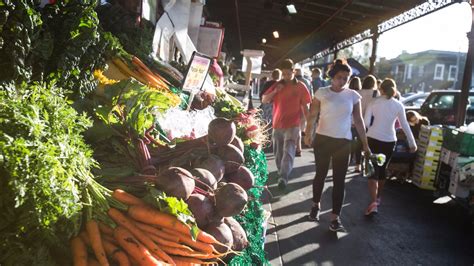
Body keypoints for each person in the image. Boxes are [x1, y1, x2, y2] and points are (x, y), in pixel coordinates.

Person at [304, 59, 370, 232]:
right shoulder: (322, 92)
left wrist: (365, 144)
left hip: (344, 142)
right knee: (320, 174)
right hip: (323, 139)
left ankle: (335, 218)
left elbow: (359, 120)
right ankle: (315, 205)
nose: (343, 81)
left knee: (339, 181)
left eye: (346, 78)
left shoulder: (353, 96)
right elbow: (312, 115)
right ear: (332, 76)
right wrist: (308, 133)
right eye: (340, 77)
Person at [363, 78, 417, 216]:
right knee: (382, 170)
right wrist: (412, 143)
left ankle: (373, 202)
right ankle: (379, 198)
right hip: (389, 141)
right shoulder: (398, 105)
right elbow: (405, 125)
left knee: (372, 171)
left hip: (373, 138)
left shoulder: (373, 102)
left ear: (381, 89)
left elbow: (366, 122)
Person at [263, 59, 311, 190]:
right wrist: (275, 91)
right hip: (277, 124)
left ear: (293, 71)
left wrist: (309, 126)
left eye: (288, 74)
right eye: (283, 74)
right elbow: (265, 99)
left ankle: (283, 177)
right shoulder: (278, 85)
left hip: (293, 125)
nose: (285, 77)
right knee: (278, 153)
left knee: (288, 151)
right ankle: (280, 173)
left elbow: (306, 107)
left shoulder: (301, 86)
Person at [295, 68, 313, 156]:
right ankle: (299, 146)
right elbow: (311, 95)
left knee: (296, 127)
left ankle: (297, 148)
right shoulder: (308, 81)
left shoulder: (293, 82)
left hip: (295, 107)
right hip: (305, 106)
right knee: (300, 127)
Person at [348, 77, 363, 172]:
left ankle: (347, 162)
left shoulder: (347, 93)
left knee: (349, 144)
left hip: (349, 123)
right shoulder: (359, 95)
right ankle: (358, 165)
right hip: (359, 123)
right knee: (358, 145)